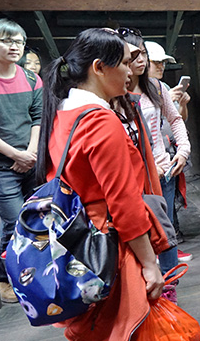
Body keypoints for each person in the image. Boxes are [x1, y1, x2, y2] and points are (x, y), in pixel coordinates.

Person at [35, 28, 166, 340]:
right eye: (121, 63)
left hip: (77, 244)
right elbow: (125, 204)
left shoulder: (64, 112)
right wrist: (150, 264)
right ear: (98, 67)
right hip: (109, 246)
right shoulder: (100, 121)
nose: (128, 72)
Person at [120, 29, 191, 298]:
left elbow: (175, 120)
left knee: (167, 227)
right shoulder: (116, 92)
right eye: (134, 54)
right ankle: (143, 289)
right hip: (136, 176)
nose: (140, 60)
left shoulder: (157, 88)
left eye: (143, 54)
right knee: (139, 228)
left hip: (165, 169)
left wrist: (183, 150)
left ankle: (170, 288)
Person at [0, 19, 42, 304]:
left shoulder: (32, 79)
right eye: (7, 41)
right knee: (13, 221)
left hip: (30, 159)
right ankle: (4, 279)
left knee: (37, 218)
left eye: (19, 42)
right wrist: (14, 154)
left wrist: (30, 152)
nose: (14, 46)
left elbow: (38, 117)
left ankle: (34, 273)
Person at [145, 40, 191, 246]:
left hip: (166, 154)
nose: (161, 66)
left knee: (168, 206)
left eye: (163, 63)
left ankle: (172, 247)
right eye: (156, 62)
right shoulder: (128, 90)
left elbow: (177, 119)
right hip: (146, 162)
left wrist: (179, 103)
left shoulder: (161, 87)